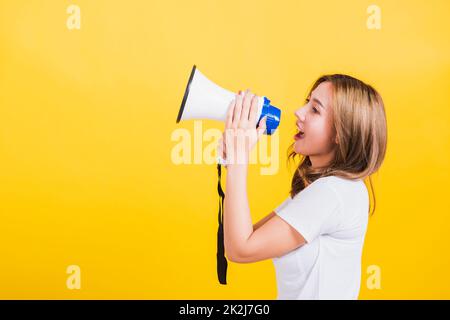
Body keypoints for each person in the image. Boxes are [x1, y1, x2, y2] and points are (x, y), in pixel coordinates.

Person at [217, 74, 387, 299]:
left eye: (315, 109)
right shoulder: (329, 189)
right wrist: (234, 165)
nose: (299, 112)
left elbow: (241, 249)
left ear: (341, 133)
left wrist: (240, 159)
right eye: (307, 102)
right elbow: (243, 237)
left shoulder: (333, 192)